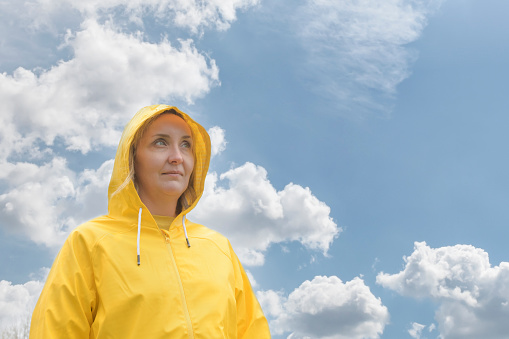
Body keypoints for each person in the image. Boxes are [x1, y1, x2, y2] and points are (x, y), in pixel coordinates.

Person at [29, 105, 271, 338]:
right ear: (132, 157)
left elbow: (252, 332)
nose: (177, 157)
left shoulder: (219, 247)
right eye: (160, 143)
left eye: (186, 145)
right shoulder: (90, 242)